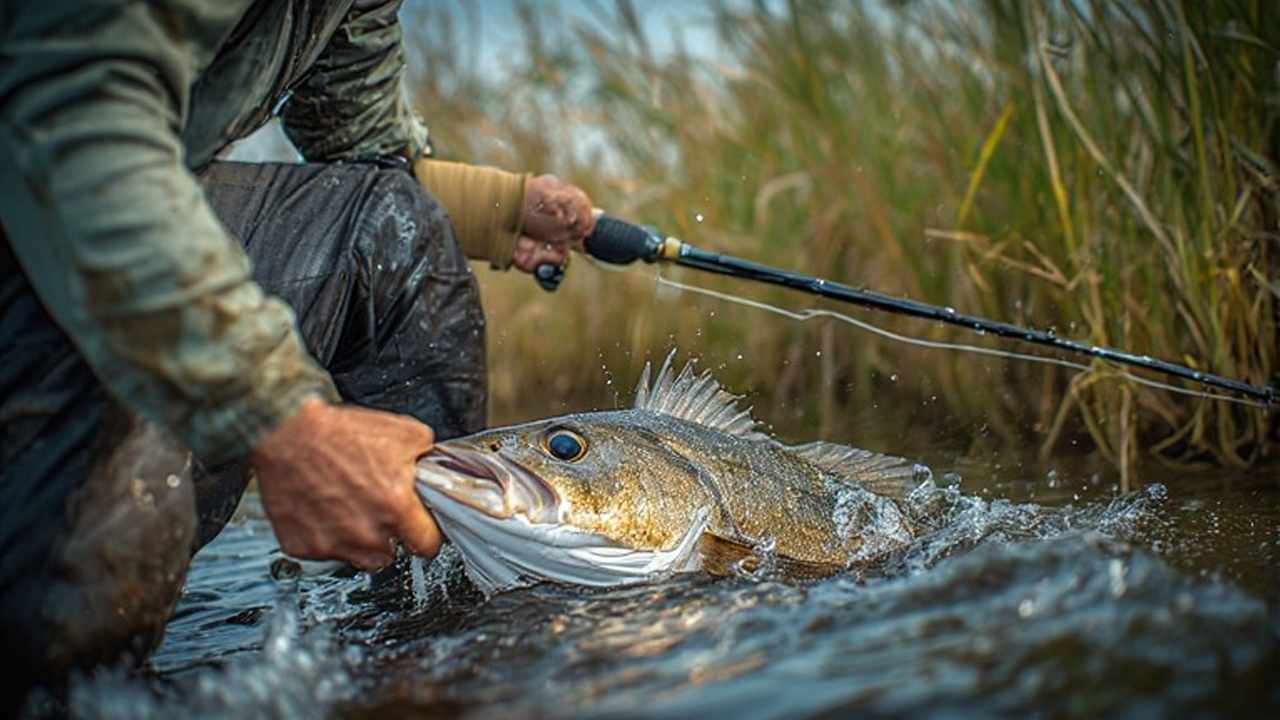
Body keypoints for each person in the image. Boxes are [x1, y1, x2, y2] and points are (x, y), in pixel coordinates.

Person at [0, 0, 595, 707]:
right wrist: (282, 420)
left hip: (108, 192)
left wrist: (500, 209)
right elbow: (76, 132)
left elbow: (356, 136)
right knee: (114, 503)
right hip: (50, 198)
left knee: (397, 227)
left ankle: (432, 655)